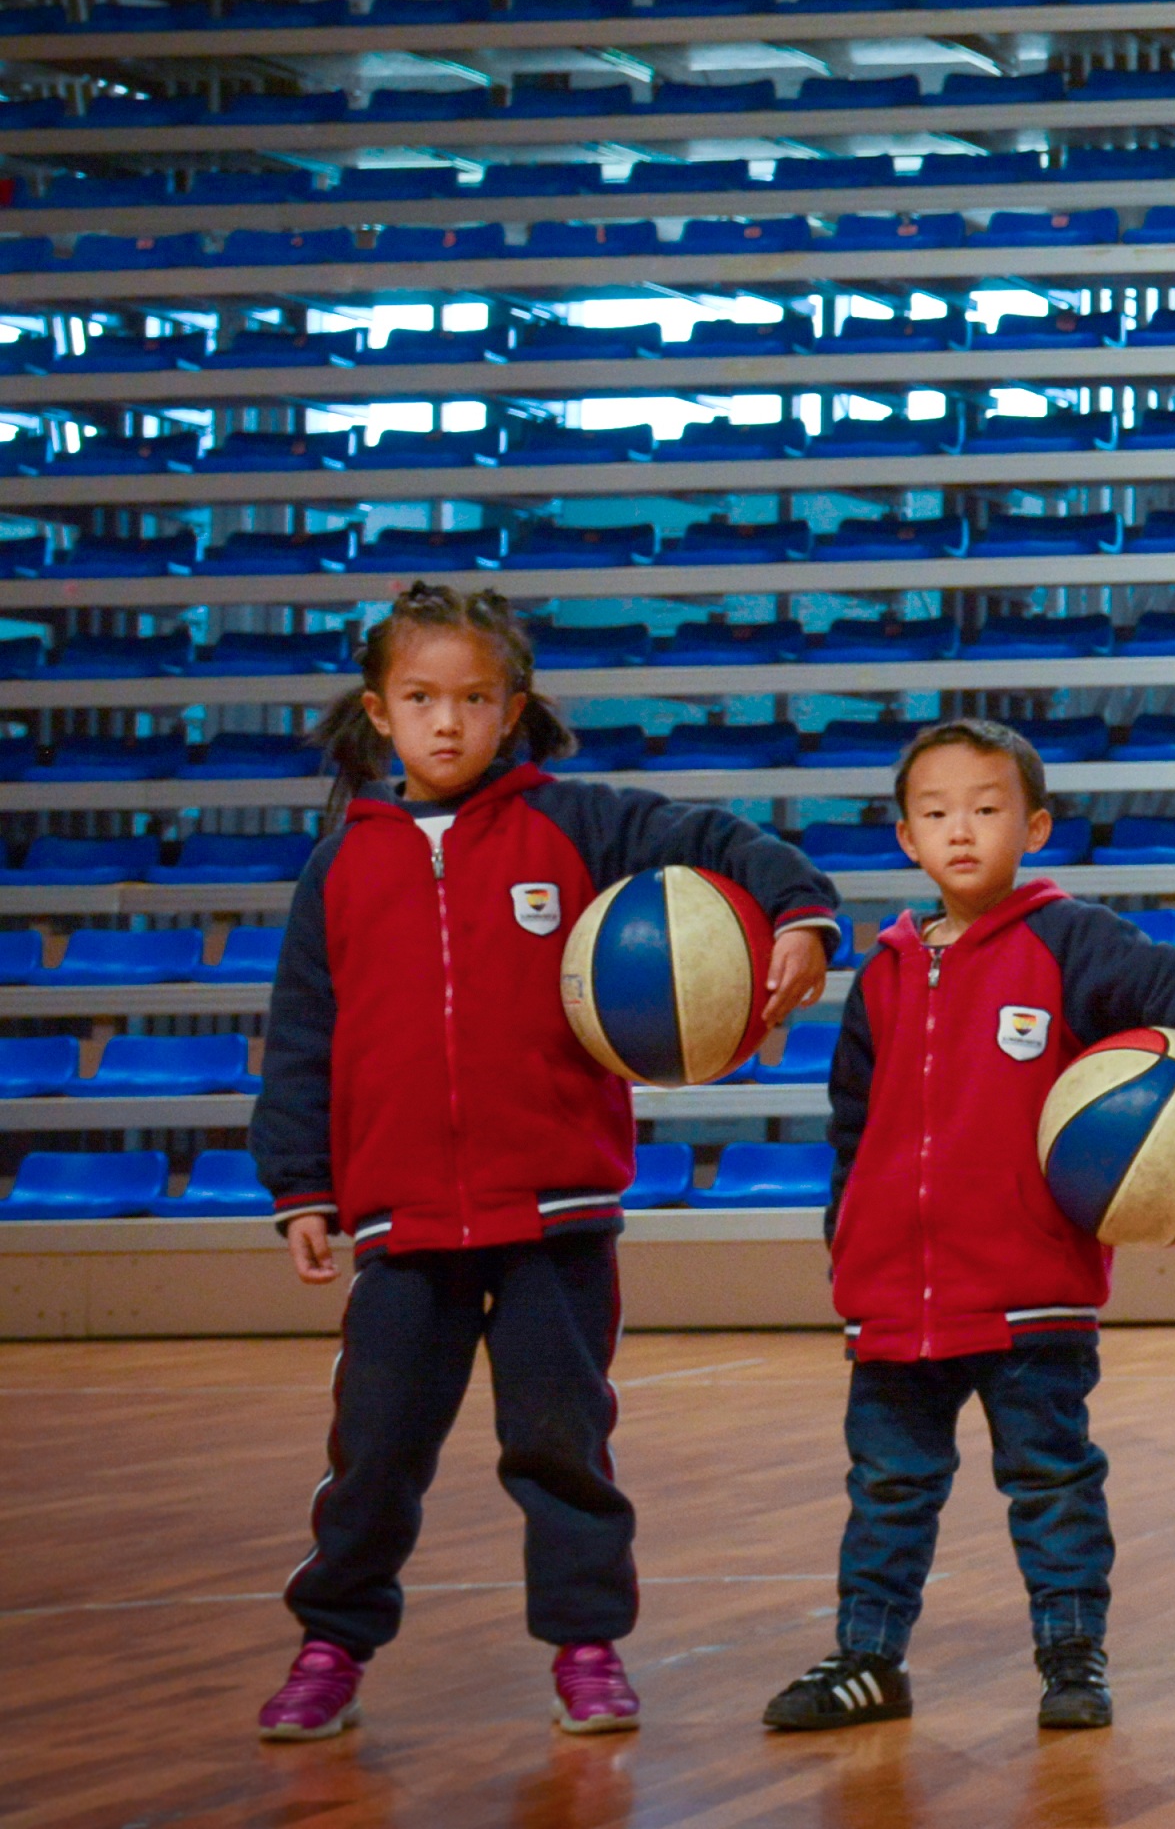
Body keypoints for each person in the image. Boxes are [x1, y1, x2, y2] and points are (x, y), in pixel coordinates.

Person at [248, 583, 844, 1745]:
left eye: (475, 698)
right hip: (404, 1224)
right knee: (371, 1454)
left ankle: (586, 1646)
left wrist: (801, 913)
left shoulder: (576, 824)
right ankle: (330, 1643)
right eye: (421, 699)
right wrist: (300, 1185)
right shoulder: (339, 868)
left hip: (555, 1215)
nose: (448, 722)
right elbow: (304, 1031)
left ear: (513, 708)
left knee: (562, 1445)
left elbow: (724, 837)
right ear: (379, 713)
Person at [763, 719, 1175, 1737]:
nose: (960, 830)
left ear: (1037, 824)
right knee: (888, 1486)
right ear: (905, 837)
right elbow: (852, 1120)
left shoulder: (1076, 941)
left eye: (985, 807)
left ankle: (1073, 1658)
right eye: (936, 813)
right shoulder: (881, 973)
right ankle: (867, 1656)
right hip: (894, 1293)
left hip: (1031, 1289)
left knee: (1052, 1481)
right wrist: (851, 1228)